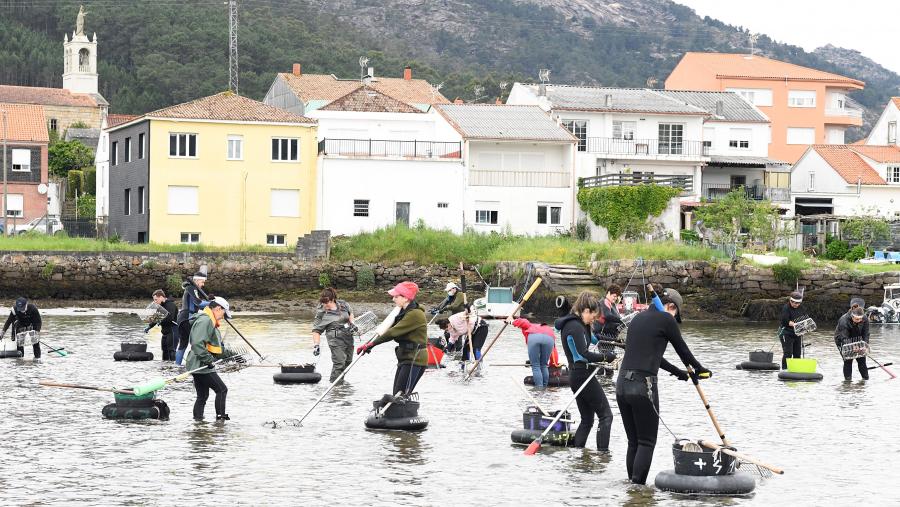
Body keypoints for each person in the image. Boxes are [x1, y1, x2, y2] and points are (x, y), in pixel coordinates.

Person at [615, 287, 711, 485]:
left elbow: (654, 357)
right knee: (646, 442)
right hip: (643, 387)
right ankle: (638, 492)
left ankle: (631, 492)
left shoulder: (637, 320)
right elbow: (682, 349)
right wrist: (700, 369)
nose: (674, 318)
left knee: (634, 442)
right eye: (676, 313)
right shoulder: (666, 319)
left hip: (622, 385)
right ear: (671, 306)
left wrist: (680, 373)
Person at [554, 291, 616, 451]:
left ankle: (579, 457)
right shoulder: (574, 326)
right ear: (585, 310)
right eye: (593, 316)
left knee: (587, 419)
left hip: (578, 375)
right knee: (606, 416)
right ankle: (603, 456)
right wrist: (605, 357)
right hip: (581, 375)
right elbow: (583, 354)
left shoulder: (581, 325)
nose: (594, 320)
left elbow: (596, 338)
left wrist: (618, 342)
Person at [356, 281, 428, 396]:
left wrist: (371, 344)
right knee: (397, 394)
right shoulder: (403, 312)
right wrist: (369, 343)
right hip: (405, 357)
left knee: (400, 395)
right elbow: (388, 329)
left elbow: (392, 332)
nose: (393, 299)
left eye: (396, 296)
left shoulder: (415, 314)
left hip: (415, 358)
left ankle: (401, 411)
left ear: (405, 298)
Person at [186, 297, 233, 422]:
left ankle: (198, 423)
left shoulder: (208, 320)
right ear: (218, 308)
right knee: (222, 390)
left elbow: (215, 349)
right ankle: (220, 421)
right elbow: (197, 343)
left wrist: (232, 356)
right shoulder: (206, 321)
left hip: (195, 364)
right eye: (224, 313)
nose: (223, 317)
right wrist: (208, 361)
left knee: (202, 396)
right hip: (201, 365)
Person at [311, 288, 356, 383]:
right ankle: (335, 386)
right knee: (339, 363)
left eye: (327, 302)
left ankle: (340, 383)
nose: (325, 305)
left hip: (348, 336)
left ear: (333, 300)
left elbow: (351, 313)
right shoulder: (321, 313)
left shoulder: (344, 304)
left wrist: (352, 323)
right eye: (323, 302)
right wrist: (316, 345)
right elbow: (316, 330)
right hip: (334, 340)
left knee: (348, 361)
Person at [508, 317, 560, 388]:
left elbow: (523, 321)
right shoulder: (548, 329)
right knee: (544, 365)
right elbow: (554, 352)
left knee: (535, 366)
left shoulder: (530, 325)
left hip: (534, 337)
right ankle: (544, 388)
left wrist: (511, 321)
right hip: (549, 338)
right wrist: (553, 364)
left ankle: (539, 389)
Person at [176, 271, 209, 365]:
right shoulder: (192, 288)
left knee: (183, 344)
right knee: (197, 342)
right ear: (197, 280)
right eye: (202, 282)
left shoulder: (191, 288)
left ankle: (177, 366)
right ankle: (197, 363)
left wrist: (209, 302)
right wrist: (212, 303)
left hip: (183, 318)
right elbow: (198, 303)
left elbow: (200, 306)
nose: (203, 284)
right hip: (187, 319)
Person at [834, 305, 869, 381]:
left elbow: (866, 333)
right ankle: (848, 382)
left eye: (860, 319)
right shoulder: (843, 320)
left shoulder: (865, 318)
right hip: (841, 339)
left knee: (862, 360)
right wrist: (852, 347)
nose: (859, 320)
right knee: (848, 360)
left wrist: (865, 345)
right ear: (852, 317)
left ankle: (865, 380)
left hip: (857, 337)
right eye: (856, 319)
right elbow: (844, 337)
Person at [145, 289, 178, 361]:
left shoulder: (170, 305)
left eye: (156, 299)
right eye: (154, 300)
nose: (155, 302)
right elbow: (156, 318)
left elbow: (170, 318)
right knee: (164, 350)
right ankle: (164, 368)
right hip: (165, 332)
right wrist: (149, 327)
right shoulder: (160, 307)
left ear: (161, 297)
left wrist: (161, 321)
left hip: (172, 331)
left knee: (171, 350)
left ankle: (174, 367)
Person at [779, 291, 805, 370]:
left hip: (797, 333)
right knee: (788, 353)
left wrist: (804, 326)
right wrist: (795, 325)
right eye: (794, 303)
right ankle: (784, 370)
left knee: (797, 353)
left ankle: (796, 370)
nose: (796, 305)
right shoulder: (786, 308)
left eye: (798, 303)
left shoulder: (801, 308)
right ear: (790, 301)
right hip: (786, 332)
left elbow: (804, 318)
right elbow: (786, 321)